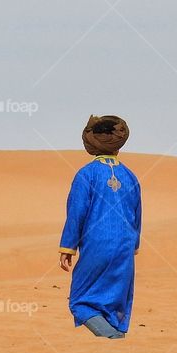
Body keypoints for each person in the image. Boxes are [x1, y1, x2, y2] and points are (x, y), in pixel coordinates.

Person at [58, 115, 141, 339]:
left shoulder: (86, 174)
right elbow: (137, 214)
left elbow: (77, 212)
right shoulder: (130, 176)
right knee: (115, 301)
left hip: (97, 244)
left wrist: (68, 246)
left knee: (80, 301)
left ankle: (113, 342)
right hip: (125, 245)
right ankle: (118, 346)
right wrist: (134, 244)